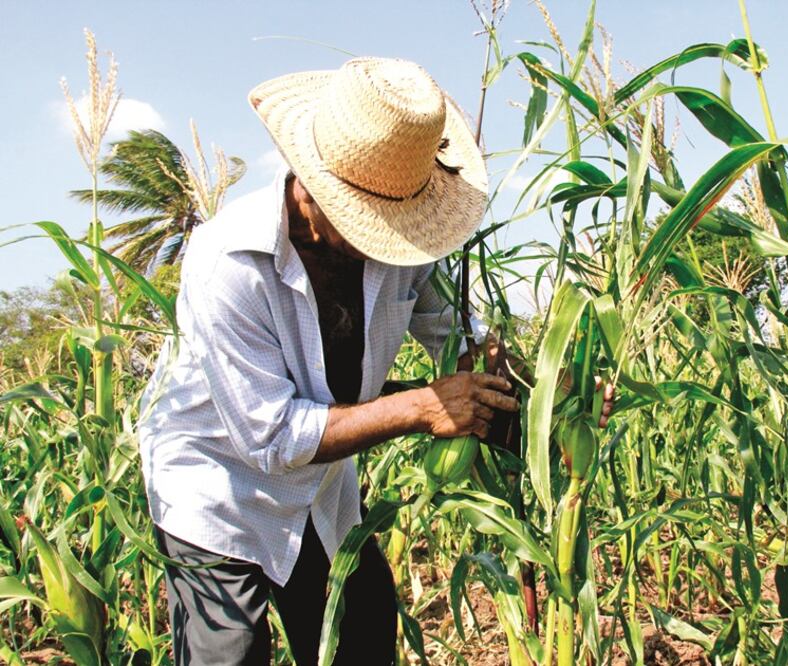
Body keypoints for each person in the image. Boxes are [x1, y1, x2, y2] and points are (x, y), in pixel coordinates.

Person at [138, 57, 518, 665]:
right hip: (218, 483)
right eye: (364, 222)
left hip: (323, 483)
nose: (383, 239)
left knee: (361, 638)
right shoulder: (228, 263)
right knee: (229, 654)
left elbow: (465, 339)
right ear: (309, 185)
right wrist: (421, 407)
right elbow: (271, 438)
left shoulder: (402, 240)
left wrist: (550, 391)